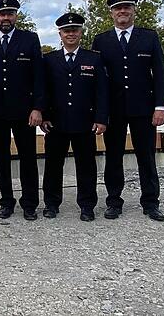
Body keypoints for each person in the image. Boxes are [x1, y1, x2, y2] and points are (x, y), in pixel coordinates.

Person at [91, 0, 164, 222]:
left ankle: (151, 202)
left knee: (146, 156)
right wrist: (100, 112)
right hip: (114, 110)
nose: (122, 11)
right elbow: (99, 79)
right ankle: (114, 201)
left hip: (143, 108)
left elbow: (159, 73)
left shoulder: (149, 37)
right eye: (117, 8)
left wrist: (161, 106)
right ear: (112, 13)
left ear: (134, 10)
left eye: (126, 7)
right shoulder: (101, 40)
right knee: (113, 157)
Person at [0, 0, 44, 220]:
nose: (6, 18)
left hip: (24, 111)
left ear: (16, 16)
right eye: (2, 14)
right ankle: (6, 201)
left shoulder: (30, 39)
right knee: (1, 158)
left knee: (28, 157)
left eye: (10, 13)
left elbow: (38, 77)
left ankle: (30, 203)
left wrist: (38, 108)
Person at [41, 12, 108, 221]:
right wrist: (43, 115)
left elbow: (102, 91)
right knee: (53, 166)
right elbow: (43, 90)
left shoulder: (94, 58)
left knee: (86, 165)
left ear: (81, 32)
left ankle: (87, 205)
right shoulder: (49, 59)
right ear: (59, 33)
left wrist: (101, 118)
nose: (71, 34)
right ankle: (51, 204)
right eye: (66, 31)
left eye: (75, 30)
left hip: (84, 122)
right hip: (56, 122)